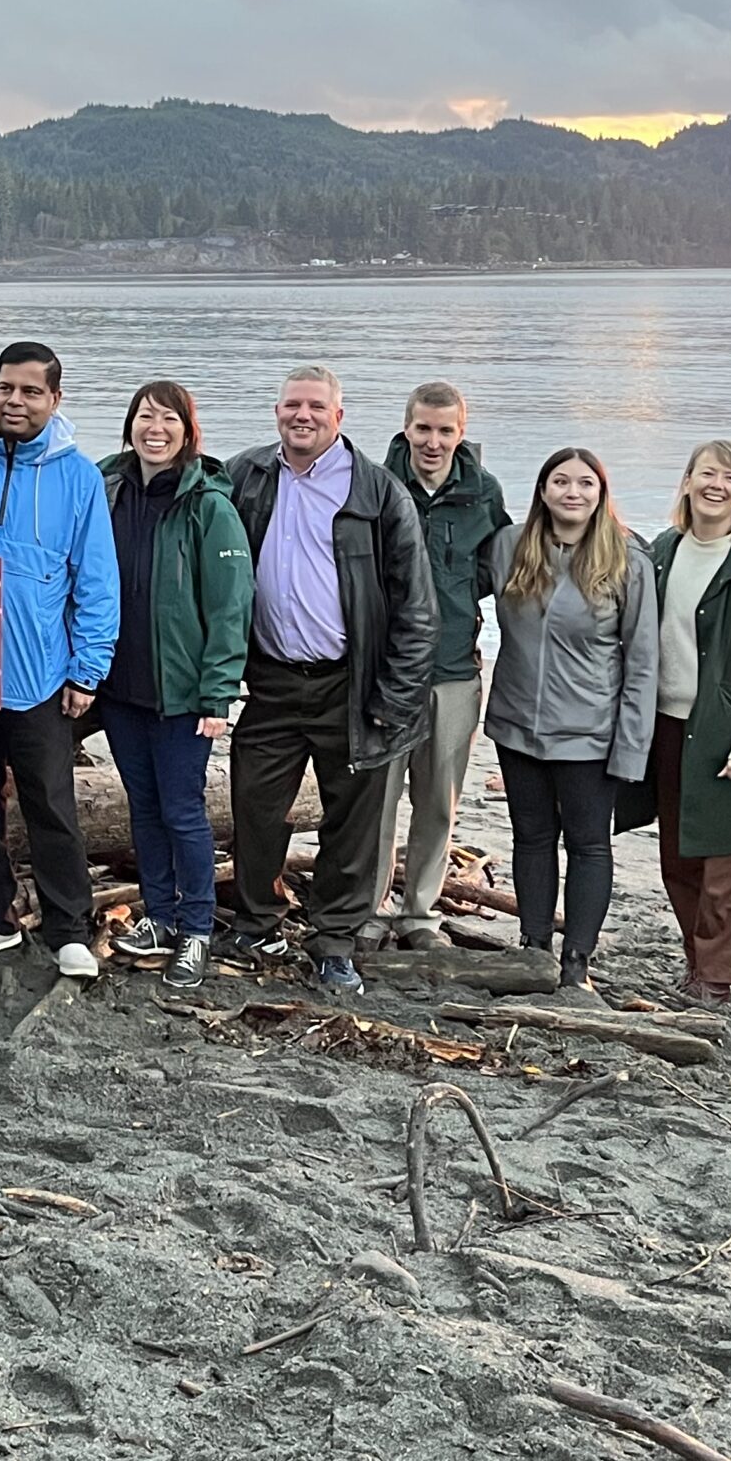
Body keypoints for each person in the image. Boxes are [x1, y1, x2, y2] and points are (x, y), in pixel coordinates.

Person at [226, 367, 436, 993]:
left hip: (352, 684)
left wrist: (393, 700)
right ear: (276, 410)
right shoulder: (246, 477)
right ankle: (258, 919)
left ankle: (334, 939)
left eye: (316, 406)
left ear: (338, 417)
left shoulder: (377, 492)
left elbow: (417, 609)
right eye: (292, 404)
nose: (303, 416)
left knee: (353, 822)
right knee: (255, 806)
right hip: (270, 680)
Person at [0, 342, 120, 979]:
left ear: (54, 399)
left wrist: (86, 669)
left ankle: (69, 925)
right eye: (5, 389)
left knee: (51, 804)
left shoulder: (78, 476)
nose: (15, 402)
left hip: (39, 675)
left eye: (30, 392)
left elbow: (95, 580)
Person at [614, 441, 731, 1004]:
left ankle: (719, 978)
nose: (716, 485)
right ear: (687, 482)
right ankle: (697, 964)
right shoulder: (665, 549)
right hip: (664, 726)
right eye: (706, 474)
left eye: (730, 478)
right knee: (679, 855)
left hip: (724, 733)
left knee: (724, 860)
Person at [94, 382, 252, 988]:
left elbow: (233, 606)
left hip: (183, 693)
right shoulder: (107, 488)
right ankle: (159, 914)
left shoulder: (210, 506)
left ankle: (198, 928)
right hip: (121, 686)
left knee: (183, 810)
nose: (153, 428)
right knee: (143, 806)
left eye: (167, 419)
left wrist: (219, 692)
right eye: (143, 416)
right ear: (129, 424)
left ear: (188, 430)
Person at [483, 448, 659, 989]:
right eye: (561, 481)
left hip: (589, 735)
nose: (572, 492)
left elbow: (644, 660)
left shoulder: (627, 560)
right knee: (530, 837)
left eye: (585, 483)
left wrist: (632, 748)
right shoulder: (510, 547)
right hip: (517, 726)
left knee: (588, 844)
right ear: (542, 490)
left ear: (601, 493)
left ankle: (577, 961)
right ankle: (534, 946)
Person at [369, 380, 510, 950]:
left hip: (453, 671)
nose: (433, 441)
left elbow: (495, 571)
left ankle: (420, 913)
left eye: (445, 431)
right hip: (385, 669)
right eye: (423, 429)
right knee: (376, 801)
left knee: (438, 800)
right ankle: (370, 910)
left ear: (461, 432)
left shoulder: (483, 492)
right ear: (407, 428)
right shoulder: (375, 486)